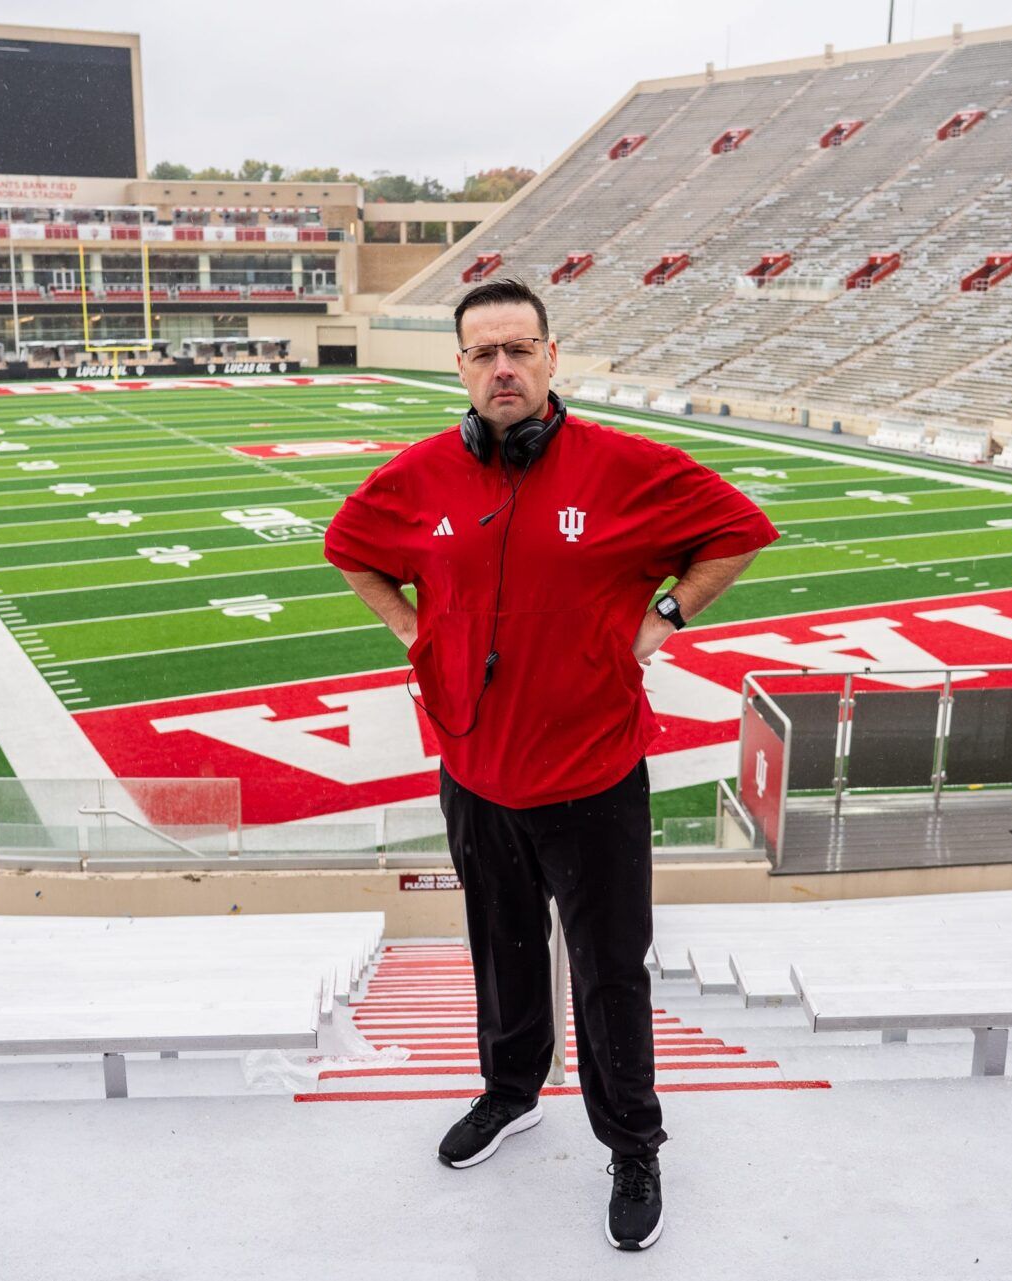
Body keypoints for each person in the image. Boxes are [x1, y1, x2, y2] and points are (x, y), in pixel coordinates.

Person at [323, 277, 777, 1251]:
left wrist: (663, 619)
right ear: (459, 366)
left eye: (519, 350)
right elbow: (348, 547)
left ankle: (632, 1144)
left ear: (550, 357)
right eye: (483, 353)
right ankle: (511, 1091)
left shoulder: (623, 466)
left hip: (594, 777)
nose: (502, 368)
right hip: (476, 775)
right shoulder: (418, 477)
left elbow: (738, 530)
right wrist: (413, 631)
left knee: (611, 971)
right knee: (503, 950)